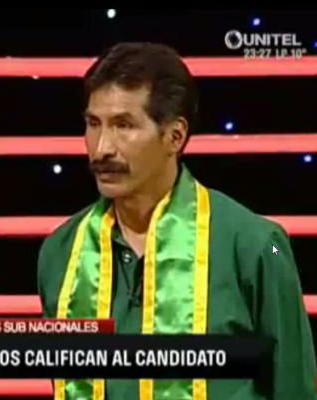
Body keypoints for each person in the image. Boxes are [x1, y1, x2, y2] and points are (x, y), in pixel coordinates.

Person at [36, 42, 316, 400]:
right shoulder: (61, 252)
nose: (102, 147)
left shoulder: (258, 246)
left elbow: (294, 387)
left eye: (123, 125)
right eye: (93, 124)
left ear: (175, 136)